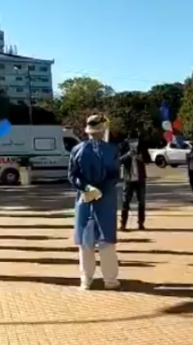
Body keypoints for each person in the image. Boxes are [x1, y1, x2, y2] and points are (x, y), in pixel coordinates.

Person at [68, 114, 121, 290]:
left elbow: (72, 175)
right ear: (102, 129)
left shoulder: (77, 149)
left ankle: (86, 279)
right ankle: (110, 280)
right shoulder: (112, 150)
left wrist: (86, 188)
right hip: (105, 198)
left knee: (85, 242)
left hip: (84, 199)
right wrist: (100, 190)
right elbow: (114, 176)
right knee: (106, 242)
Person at [120, 133, 147, 231]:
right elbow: (119, 161)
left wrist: (141, 159)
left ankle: (141, 223)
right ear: (128, 142)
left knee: (141, 202)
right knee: (125, 201)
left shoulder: (142, 149)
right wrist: (128, 155)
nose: (134, 143)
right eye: (132, 141)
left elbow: (148, 159)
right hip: (128, 180)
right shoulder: (124, 149)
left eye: (135, 141)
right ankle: (123, 224)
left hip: (140, 180)